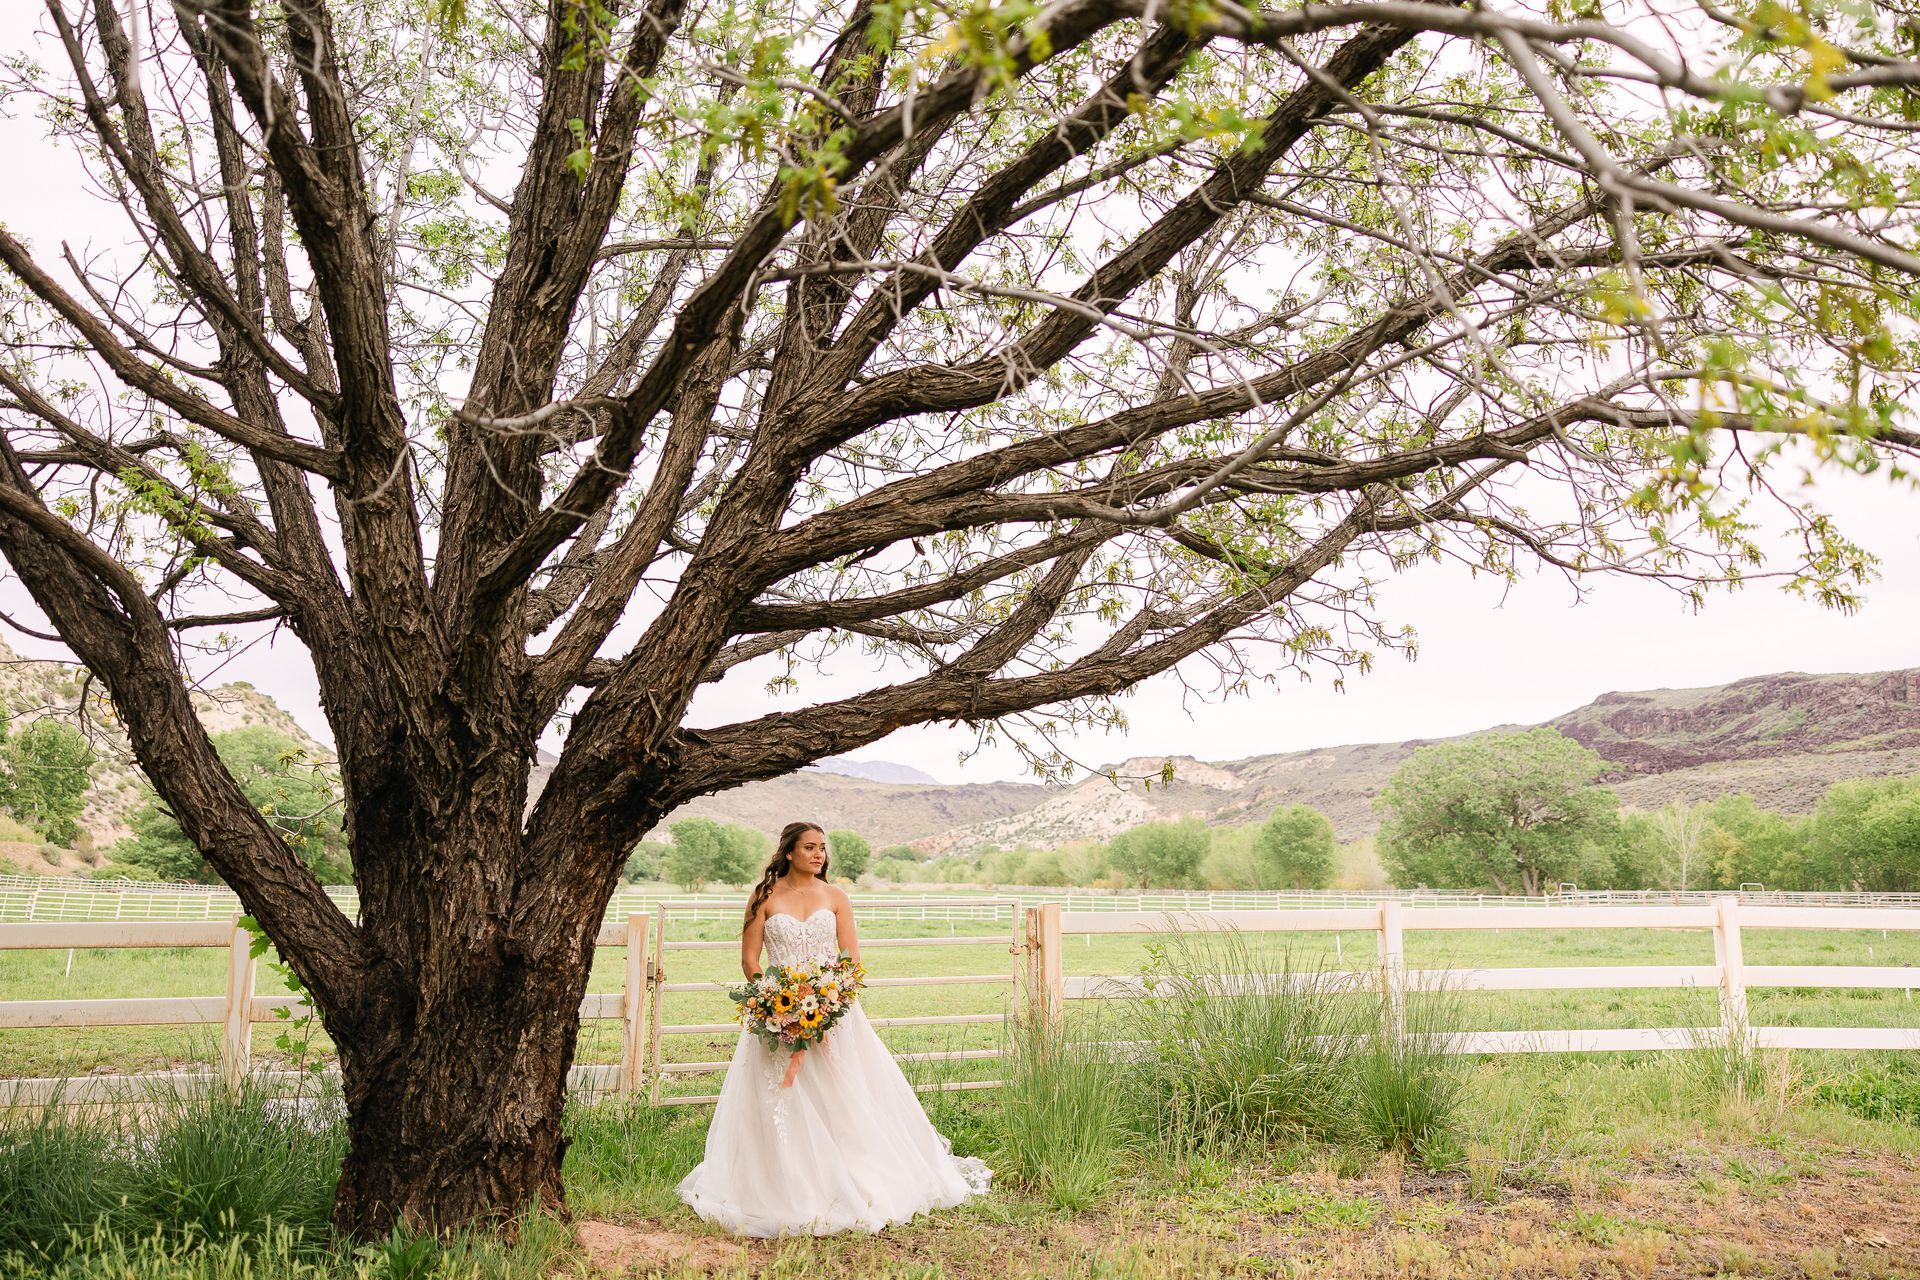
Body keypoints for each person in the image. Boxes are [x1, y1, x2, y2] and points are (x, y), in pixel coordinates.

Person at [675, 821, 993, 1237]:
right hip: (778, 1015)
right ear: (788, 852)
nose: (818, 855)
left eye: (822, 848)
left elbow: (851, 960)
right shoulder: (764, 896)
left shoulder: (836, 897)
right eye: (809, 847)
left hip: (836, 1017)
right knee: (780, 1099)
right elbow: (751, 961)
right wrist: (776, 1005)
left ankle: (857, 1178)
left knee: (846, 1094)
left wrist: (827, 1002)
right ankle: (784, 1184)